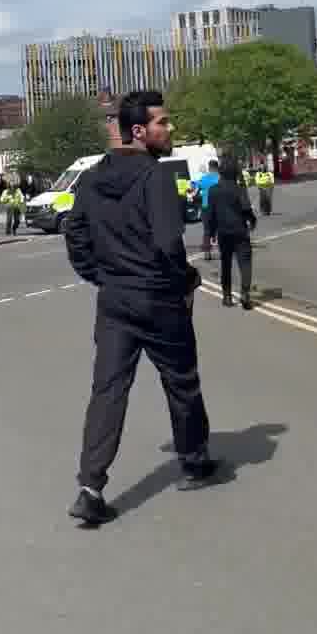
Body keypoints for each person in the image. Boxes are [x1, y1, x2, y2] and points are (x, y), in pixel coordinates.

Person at [64, 89, 219, 527]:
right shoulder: (155, 177)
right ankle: (193, 460)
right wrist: (185, 282)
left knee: (108, 390)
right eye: (163, 123)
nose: (169, 130)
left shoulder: (92, 178)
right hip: (157, 297)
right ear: (139, 130)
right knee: (181, 380)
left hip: (114, 299)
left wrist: (98, 275)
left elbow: (74, 233)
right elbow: (169, 243)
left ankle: (90, 488)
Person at [207, 156, 257, 310]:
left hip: (223, 232)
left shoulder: (213, 190)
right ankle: (245, 294)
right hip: (239, 230)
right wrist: (252, 221)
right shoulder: (239, 189)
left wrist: (211, 233)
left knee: (226, 264)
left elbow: (211, 214)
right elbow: (246, 209)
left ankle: (227, 296)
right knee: (245, 263)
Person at [197, 159, 220, 260]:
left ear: (209, 167)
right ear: (217, 167)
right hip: (219, 207)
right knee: (220, 229)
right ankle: (222, 251)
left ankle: (207, 252)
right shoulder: (221, 178)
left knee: (207, 230)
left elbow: (196, 192)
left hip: (206, 207)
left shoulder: (203, 179)